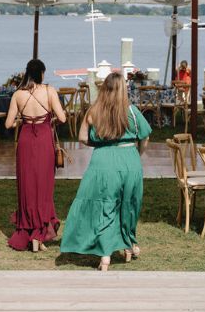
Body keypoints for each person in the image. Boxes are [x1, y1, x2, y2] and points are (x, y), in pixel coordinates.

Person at [61, 71, 151, 270]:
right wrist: (137, 154)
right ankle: (128, 245)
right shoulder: (133, 112)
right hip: (129, 159)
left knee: (105, 204)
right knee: (128, 204)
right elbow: (145, 137)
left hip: (103, 160)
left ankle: (105, 254)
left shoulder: (94, 111)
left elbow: (83, 138)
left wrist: (100, 142)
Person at [5, 58, 66, 252]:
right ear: (41, 73)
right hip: (44, 140)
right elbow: (63, 118)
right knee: (44, 186)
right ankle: (38, 236)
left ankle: (29, 230)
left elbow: (8, 124)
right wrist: (50, 118)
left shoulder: (17, 95)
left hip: (25, 141)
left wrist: (21, 122)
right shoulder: (49, 91)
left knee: (27, 186)